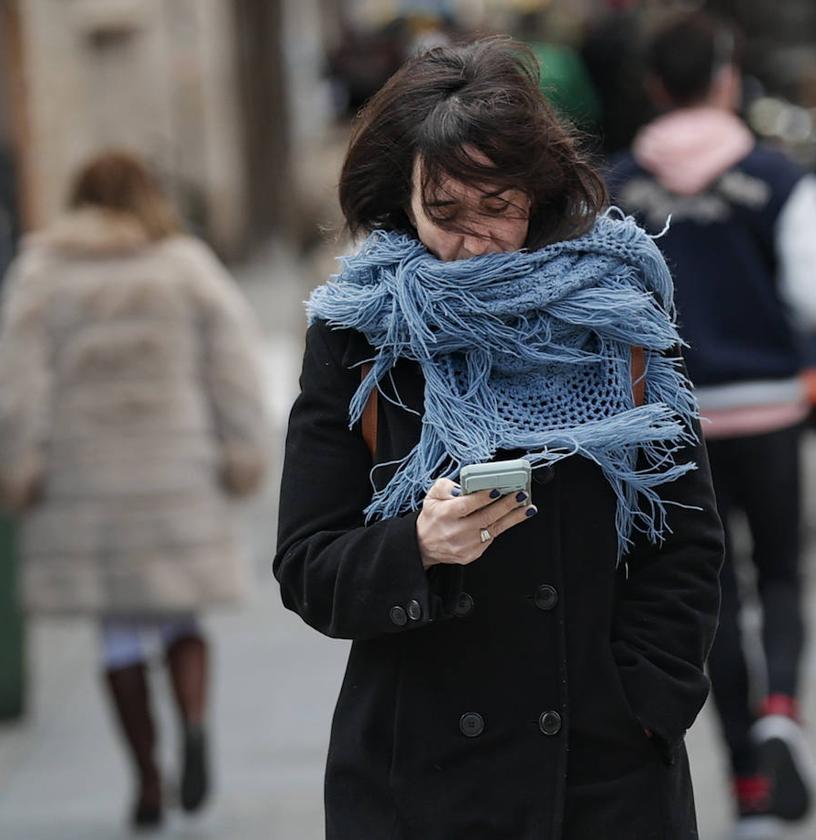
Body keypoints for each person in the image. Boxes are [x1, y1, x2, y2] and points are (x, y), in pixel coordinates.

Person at [275, 36, 723, 839]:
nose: (473, 238)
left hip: (600, 777)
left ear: (539, 193)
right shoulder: (357, 335)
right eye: (444, 212)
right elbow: (308, 564)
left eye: (498, 206)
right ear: (402, 200)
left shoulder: (617, 319)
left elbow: (685, 542)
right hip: (421, 777)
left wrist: (646, 706)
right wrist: (416, 547)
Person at [0, 150, 268, 831]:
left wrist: (17, 461)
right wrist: (241, 449)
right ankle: (194, 722)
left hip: (88, 478)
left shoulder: (43, 273)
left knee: (117, 634)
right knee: (179, 616)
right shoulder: (184, 266)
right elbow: (234, 362)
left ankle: (146, 778)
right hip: (176, 466)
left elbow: (17, 381)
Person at [608, 11, 816, 837]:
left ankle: (750, 792)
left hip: (669, 417)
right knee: (783, 574)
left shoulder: (616, 184)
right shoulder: (780, 177)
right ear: (728, 78)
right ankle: (780, 713)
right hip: (768, 407)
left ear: (656, 85)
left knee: (714, 593)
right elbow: (807, 293)